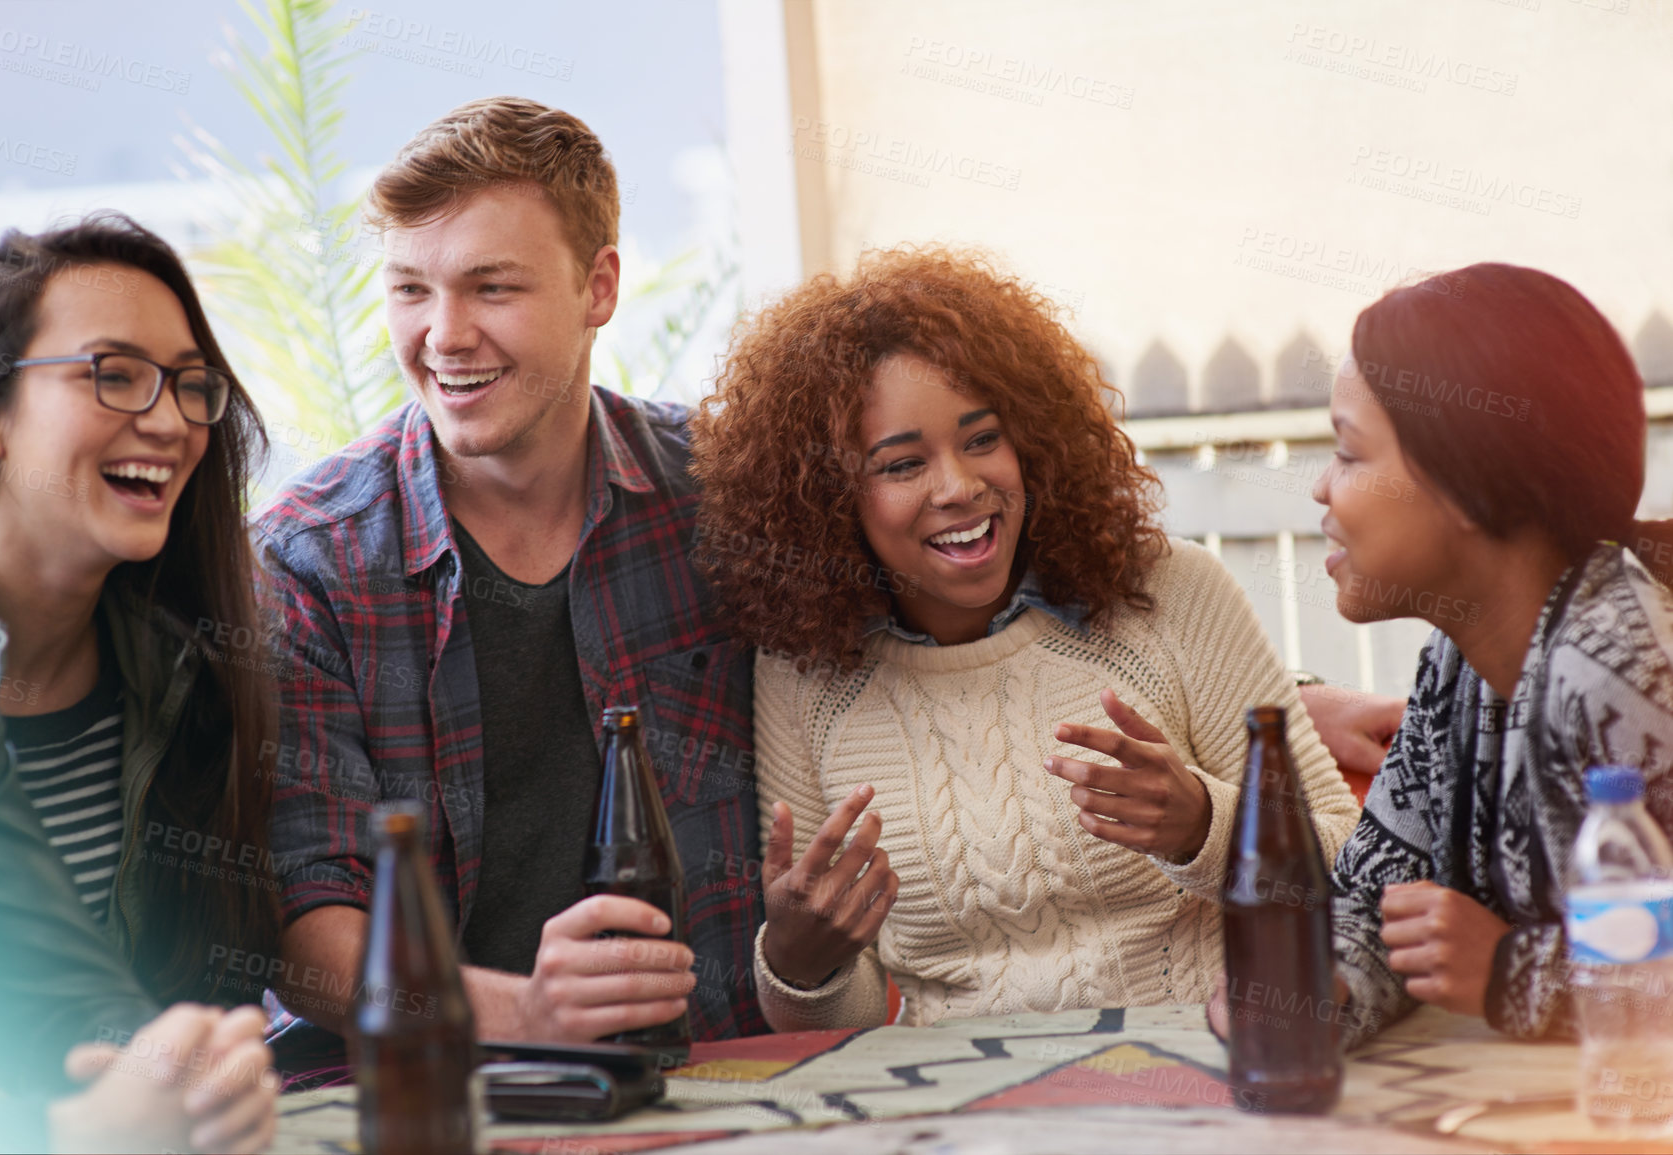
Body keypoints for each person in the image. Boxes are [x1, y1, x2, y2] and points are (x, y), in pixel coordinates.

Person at [688, 247, 1362, 1030]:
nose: (958, 485)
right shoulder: (804, 674)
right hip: (961, 1112)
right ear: (832, 497)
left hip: (1203, 1076)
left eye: (981, 439)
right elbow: (847, 1026)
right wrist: (805, 962)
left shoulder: (1172, 592)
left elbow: (1353, 870)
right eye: (903, 463)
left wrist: (1204, 826)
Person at [256, 97, 763, 1046]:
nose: (443, 335)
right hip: (419, 1096)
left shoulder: (726, 496)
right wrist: (527, 1013)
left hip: (716, 1075)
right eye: (410, 289)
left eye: (492, 288)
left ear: (598, 287)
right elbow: (307, 934)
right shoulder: (307, 561)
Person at [0, 220, 276, 1152]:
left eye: (189, 384)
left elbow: (83, 1003)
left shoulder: (204, 679)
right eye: (114, 374)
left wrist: (187, 1070)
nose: (170, 421)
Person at [1298, 263, 1672, 1045]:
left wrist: (1509, 970)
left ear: (1468, 487)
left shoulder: (1622, 663)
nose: (1321, 490)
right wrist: (1315, 992)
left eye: (1349, 453)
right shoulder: (1457, 660)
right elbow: (1375, 895)